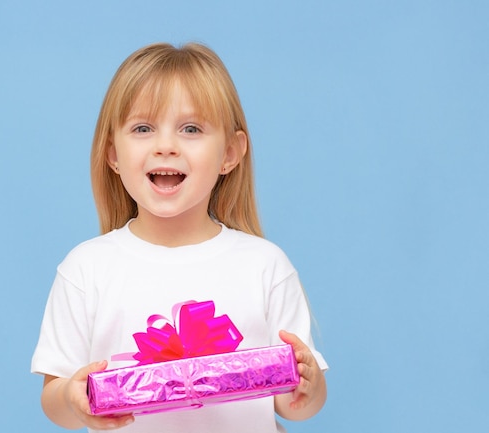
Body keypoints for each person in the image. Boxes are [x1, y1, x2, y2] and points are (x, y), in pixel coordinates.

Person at [31, 42, 328, 433]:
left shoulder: (264, 265)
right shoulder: (86, 269)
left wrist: (309, 385)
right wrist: (74, 397)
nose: (166, 146)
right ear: (113, 154)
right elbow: (54, 399)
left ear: (230, 153)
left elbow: (296, 407)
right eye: (142, 128)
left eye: (191, 129)